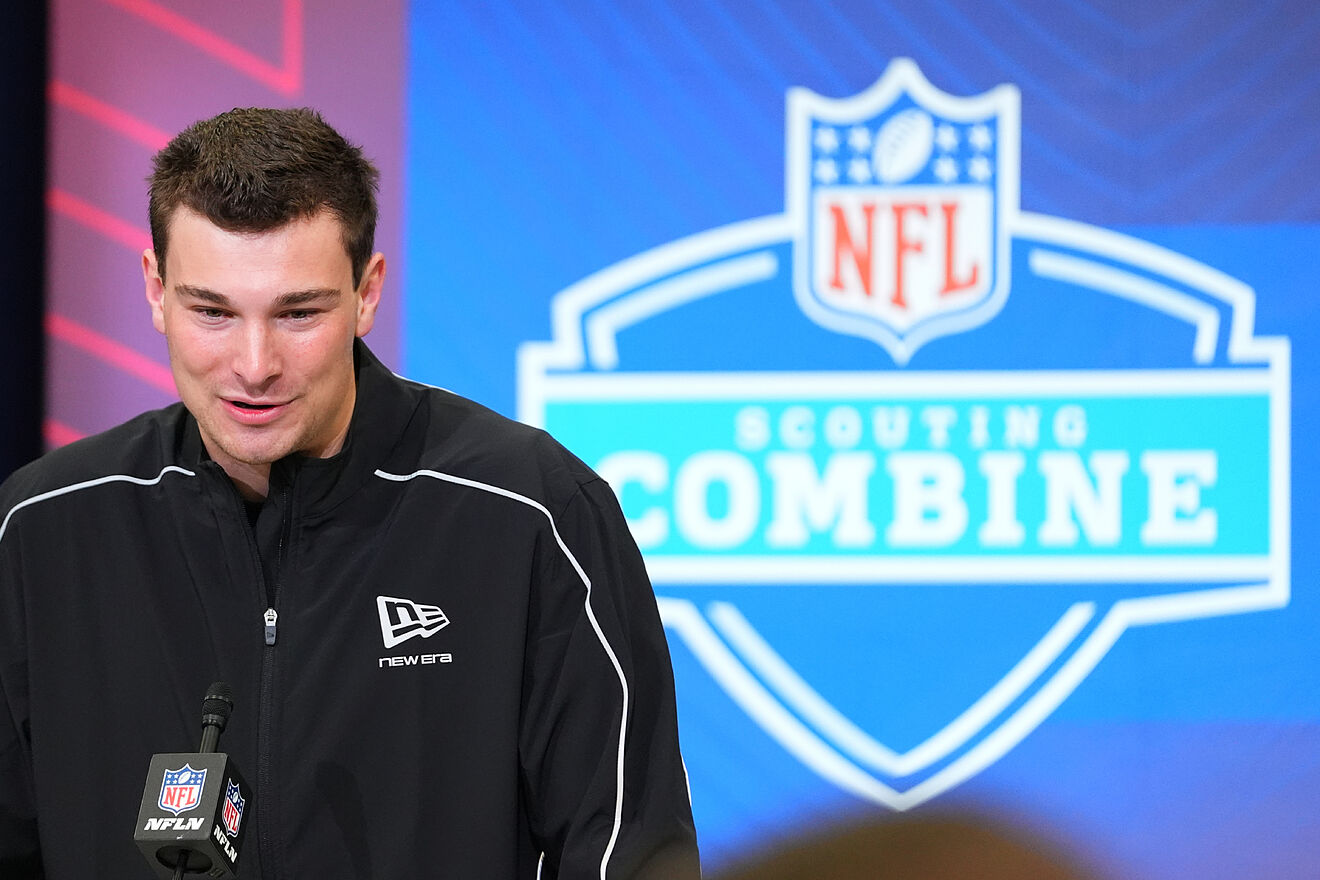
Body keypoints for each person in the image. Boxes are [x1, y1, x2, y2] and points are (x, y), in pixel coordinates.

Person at [0, 107, 700, 879]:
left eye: (298, 314)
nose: (255, 364)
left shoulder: (533, 511)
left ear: (367, 294)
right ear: (155, 290)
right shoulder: (43, 527)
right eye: (213, 312)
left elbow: (630, 853)